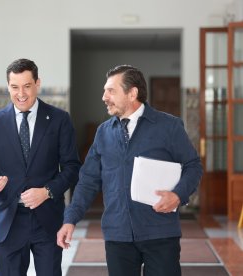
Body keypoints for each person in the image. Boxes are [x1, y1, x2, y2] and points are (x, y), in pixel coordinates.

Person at [57, 65, 203, 276]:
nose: (104, 97)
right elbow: (88, 181)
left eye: (111, 91)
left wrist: (178, 195)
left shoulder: (168, 127)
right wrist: (70, 219)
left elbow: (193, 166)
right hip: (118, 236)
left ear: (132, 93)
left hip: (160, 233)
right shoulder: (103, 133)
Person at [0, 58, 81, 276]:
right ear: (8, 86)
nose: (21, 93)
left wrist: (47, 191)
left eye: (27, 86)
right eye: (15, 87)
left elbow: (72, 168)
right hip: (8, 221)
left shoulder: (59, 119)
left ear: (37, 83)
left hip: (48, 220)